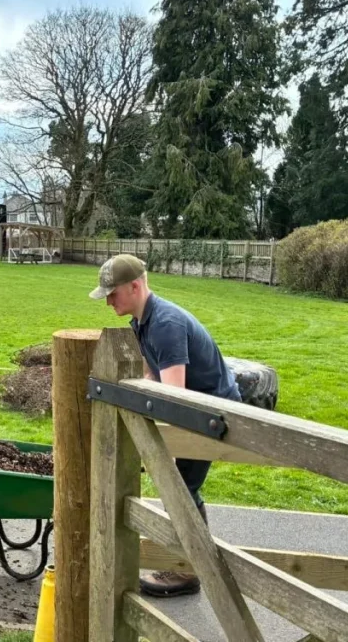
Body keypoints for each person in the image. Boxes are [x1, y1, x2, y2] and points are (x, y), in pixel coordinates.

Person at [89, 253, 241, 598]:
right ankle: (192, 566)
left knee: (180, 489)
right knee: (182, 488)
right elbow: (151, 376)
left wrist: (164, 448)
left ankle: (188, 571)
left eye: (113, 294)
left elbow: (175, 398)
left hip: (213, 416)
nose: (108, 301)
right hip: (198, 411)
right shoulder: (142, 321)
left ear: (135, 286)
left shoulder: (165, 325)